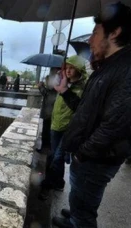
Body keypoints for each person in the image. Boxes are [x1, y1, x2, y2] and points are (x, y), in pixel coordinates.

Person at [52, 3, 131, 228]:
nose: (89, 41)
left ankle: (78, 219)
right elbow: (86, 111)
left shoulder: (125, 69)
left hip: (96, 159)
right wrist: (64, 91)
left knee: (85, 212)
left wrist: (81, 154)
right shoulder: (107, 67)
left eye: (95, 33)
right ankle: (75, 215)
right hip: (91, 156)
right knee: (80, 198)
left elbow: (115, 126)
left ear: (114, 33)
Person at [38, 55, 88, 200]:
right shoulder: (62, 84)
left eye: (72, 68)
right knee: (55, 156)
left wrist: (64, 89)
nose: (69, 71)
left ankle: (47, 186)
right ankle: (59, 182)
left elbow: (78, 108)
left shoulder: (82, 89)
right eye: (67, 67)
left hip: (68, 129)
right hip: (56, 125)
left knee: (57, 157)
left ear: (79, 70)